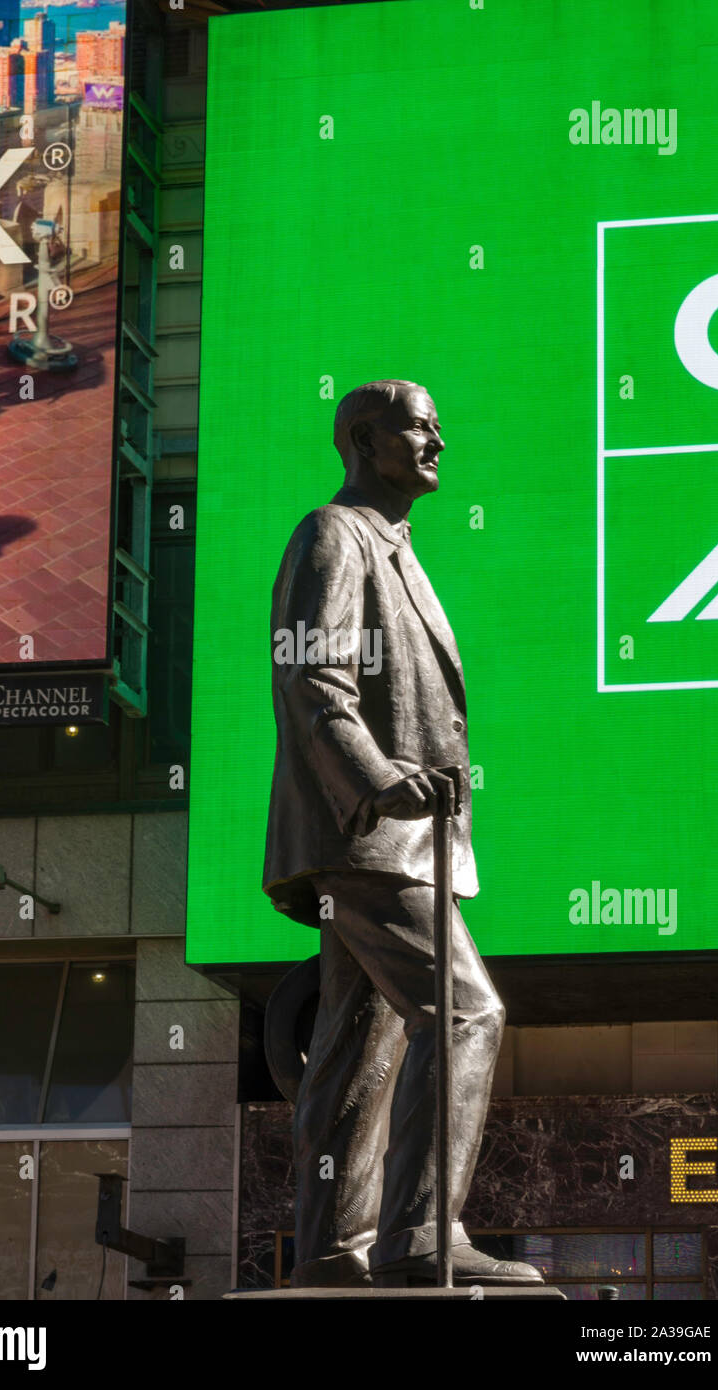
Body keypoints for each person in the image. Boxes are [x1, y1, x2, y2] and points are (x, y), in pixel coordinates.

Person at [263, 380, 542, 1289]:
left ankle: (332, 1253)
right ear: (363, 440)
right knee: (466, 1012)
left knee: (359, 1044)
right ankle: (420, 1237)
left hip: (398, 840)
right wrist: (379, 782)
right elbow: (313, 679)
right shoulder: (332, 534)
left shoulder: (395, 546)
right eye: (420, 428)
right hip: (369, 835)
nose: (438, 443)